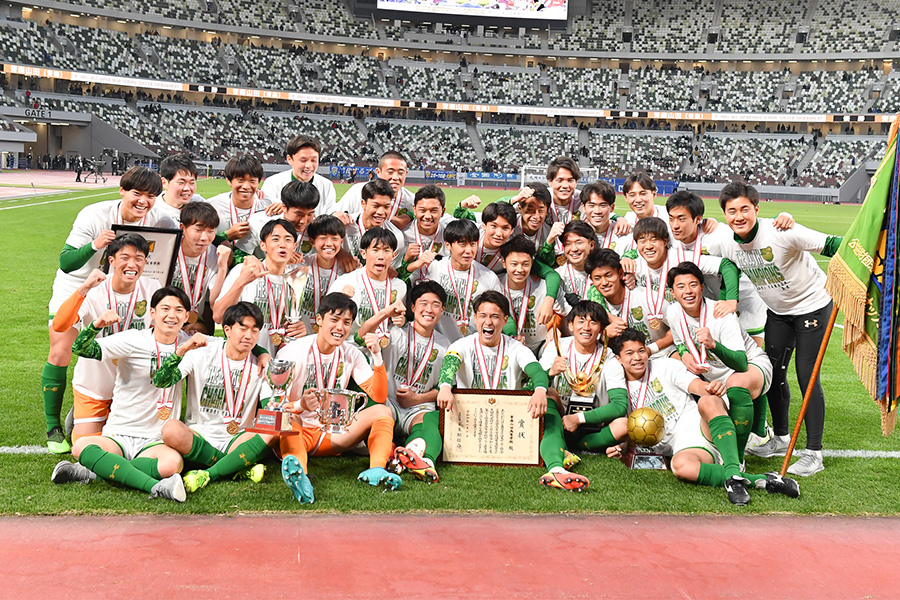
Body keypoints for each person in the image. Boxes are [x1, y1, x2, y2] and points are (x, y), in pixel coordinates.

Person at [575, 329, 800, 505]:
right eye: (629, 353)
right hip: (680, 446)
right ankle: (760, 480)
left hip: (699, 427)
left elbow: (697, 386)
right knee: (681, 467)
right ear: (618, 359)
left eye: (641, 351)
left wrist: (709, 387)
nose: (637, 358)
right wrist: (623, 445)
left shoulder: (665, 366)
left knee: (708, 401)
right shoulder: (614, 387)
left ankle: (732, 467)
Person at [713, 182, 843, 476]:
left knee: (806, 374)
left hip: (813, 307)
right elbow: (723, 263)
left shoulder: (782, 231)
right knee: (772, 373)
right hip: (779, 313)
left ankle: (814, 452)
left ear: (757, 209)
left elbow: (835, 245)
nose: (739, 216)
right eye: (731, 211)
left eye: (745, 209)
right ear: (724, 214)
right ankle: (781, 439)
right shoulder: (728, 241)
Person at [43, 166, 166, 453]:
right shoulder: (94, 214)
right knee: (61, 351)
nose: (143, 201)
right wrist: (94, 245)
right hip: (81, 285)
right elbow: (66, 262)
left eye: (150, 196)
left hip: (126, 287)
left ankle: (99, 407)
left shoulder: (158, 217)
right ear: (122, 190)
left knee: (123, 349)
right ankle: (53, 426)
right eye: (137, 193)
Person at [49, 287, 200, 502]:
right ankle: (156, 487)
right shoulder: (133, 339)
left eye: (179, 310)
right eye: (165, 308)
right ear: (153, 312)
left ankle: (93, 472)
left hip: (155, 440)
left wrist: (260, 354)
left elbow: (233, 346)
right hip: (118, 434)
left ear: (186, 316)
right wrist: (95, 325)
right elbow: (82, 349)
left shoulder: (192, 345)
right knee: (81, 446)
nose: (172, 315)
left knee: (173, 464)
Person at [276, 292, 399, 503]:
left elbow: (378, 396)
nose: (340, 328)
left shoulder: (351, 353)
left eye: (346, 322)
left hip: (333, 433)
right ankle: (301, 476)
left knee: (383, 411)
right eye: (334, 320)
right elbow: (276, 406)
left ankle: (376, 470)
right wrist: (300, 405)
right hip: (299, 431)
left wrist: (377, 355)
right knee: (287, 419)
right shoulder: (292, 352)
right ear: (319, 320)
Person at [424, 292, 554, 487]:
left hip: (507, 419)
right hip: (470, 417)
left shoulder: (516, 348)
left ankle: (556, 467)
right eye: (483, 315)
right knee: (431, 418)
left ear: (505, 320)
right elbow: (450, 364)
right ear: (475, 318)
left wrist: (541, 390)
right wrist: (444, 386)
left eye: (494, 316)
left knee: (550, 416)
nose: (488, 322)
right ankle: (426, 461)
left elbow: (537, 371)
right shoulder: (462, 345)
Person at [153, 302, 275, 492]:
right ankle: (237, 467)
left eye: (255, 330)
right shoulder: (201, 353)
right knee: (170, 430)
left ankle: (209, 473)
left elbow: (270, 410)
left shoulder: (261, 365)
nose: (248, 336)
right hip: (200, 434)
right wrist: (181, 350)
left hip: (238, 439)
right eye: (242, 329)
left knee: (271, 429)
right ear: (227, 329)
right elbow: (162, 381)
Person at [51, 234, 160, 444]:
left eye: (139, 258)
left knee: (132, 444)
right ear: (111, 261)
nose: (132, 264)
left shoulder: (152, 288)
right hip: (94, 384)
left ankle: (107, 418)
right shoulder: (94, 289)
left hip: (133, 387)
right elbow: (60, 325)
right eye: (124, 257)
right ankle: (82, 415)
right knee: (85, 445)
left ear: (145, 262)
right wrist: (83, 288)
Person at [667, 262, 773, 463]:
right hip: (714, 371)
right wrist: (685, 356)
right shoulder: (673, 312)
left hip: (751, 365)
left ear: (702, 287)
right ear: (672, 292)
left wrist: (713, 345)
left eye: (693, 285)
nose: (688, 291)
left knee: (736, 383)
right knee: (672, 363)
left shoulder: (721, 314)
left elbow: (741, 363)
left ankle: (739, 458)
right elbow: (680, 343)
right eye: (680, 287)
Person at [358, 281, 449, 483]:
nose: (429, 309)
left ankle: (422, 459)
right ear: (413, 308)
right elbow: (360, 336)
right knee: (371, 408)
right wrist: (385, 314)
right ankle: (392, 455)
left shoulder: (446, 346)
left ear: (442, 311)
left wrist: (417, 399)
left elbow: (445, 387)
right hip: (388, 402)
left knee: (433, 420)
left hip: (418, 407)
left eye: (436, 304)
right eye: (423, 303)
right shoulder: (394, 332)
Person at [541, 300, 614, 489]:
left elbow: (620, 404)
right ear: (570, 325)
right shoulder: (556, 348)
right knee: (547, 393)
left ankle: (567, 447)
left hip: (592, 424)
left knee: (623, 424)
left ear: (601, 329)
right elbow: (532, 388)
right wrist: (549, 374)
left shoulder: (610, 357)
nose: (586, 327)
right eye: (581, 321)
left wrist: (579, 419)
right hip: (560, 417)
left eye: (593, 322)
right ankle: (557, 469)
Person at [214, 219, 306, 354]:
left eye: (288, 240)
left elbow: (296, 322)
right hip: (247, 359)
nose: (282, 245)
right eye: (275, 239)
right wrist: (241, 282)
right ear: (263, 245)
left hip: (281, 360)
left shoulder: (296, 279)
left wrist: (300, 328)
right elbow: (218, 316)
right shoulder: (244, 270)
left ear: (294, 246)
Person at [586, 248, 673, 357]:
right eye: (597, 278)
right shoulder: (593, 307)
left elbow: (678, 327)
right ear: (591, 280)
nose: (604, 283)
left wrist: (651, 349)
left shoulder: (648, 298)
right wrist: (604, 336)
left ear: (621, 273)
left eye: (609, 275)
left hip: (661, 354)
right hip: (624, 364)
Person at [329, 227, 408, 347]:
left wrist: (402, 321)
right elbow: (326, 320)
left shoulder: (400, 287)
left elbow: (397, 319)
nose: (381, 256)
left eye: (386, 251)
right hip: (349, 349)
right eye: (375, 250)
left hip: (381, 352)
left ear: (393, 255)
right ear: (363, 253)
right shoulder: (344, 282)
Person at [172, 202, 231, 334]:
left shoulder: (215, 255)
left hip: (195, 319)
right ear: (183, 228)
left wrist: (222, 268)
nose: (204, 238)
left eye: (211, 231)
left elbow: (214, 304)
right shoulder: (169, 248)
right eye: (198, 230)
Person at [207, 154, 275, 263]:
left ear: (259, 182)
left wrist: (283, 206)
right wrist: (227, 235)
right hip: (220, 269)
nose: (246, 186)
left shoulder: (270, 206)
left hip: (260, 271)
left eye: (252, 181)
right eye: (240, 180)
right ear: (229, 180)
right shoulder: (212, 206)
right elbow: (201, 240)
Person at [499, 234, 556, 355]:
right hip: (509, 344)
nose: (519, 269)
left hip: (542, 344)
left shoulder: (543, 285)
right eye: (514, 264)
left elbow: (564, 312)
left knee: (555, 347)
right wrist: (512, 336)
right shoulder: (496, 283)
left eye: (525, 264)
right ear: (504, 263)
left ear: (532, 263)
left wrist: (554, 328)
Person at [237, 179, 319, 261]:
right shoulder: (258, 223)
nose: (303, 221)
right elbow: (237, 258)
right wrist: (275, 261)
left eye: (310, 214)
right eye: (298, 214)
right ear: (284, 207)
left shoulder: (318, 228)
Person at [261, 134, 336, 217]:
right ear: (289, 159)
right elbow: (264, 217)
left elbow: (329, 219)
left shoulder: (327, 185)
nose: (308, 166)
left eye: (313, 160)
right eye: (303, 160)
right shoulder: (273, 183)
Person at [335, 150, 414, 229]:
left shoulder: (411, 200)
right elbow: (335, 215)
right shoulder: (358, 191)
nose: (396, 177)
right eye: (390, 172)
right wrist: (336, 214)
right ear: (378, 172)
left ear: (406, 174)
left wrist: (410, 215)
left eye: (401, 173)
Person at [295, 215, 346, 334]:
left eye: (334, 238)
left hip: (331, 336)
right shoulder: (301, 266)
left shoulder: (347, 272)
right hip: (301, 336)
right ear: (312, 241)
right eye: (323, 238)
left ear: (341, 241)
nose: (329, 243)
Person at [341, 178, 406, 269]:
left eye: (386, 207)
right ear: (363, 204)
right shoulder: (344, 226)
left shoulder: (396, 236)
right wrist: (339, 252)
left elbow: (391, 272)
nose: (381, 212)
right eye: (376, 206)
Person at [400, 184, 454, 285]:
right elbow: (393, 276)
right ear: (414, 210)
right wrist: (406, 260)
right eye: (422, 210)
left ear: (442, 212)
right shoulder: (402, 234)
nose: (428, 216)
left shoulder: (450, 234)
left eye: (434, 211)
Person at [555, 220, 597, 314]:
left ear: (591, 245)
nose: (574, 249)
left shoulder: (601, 272)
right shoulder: (557, 275)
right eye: (568, 244)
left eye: (579, 242)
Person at [156, 154, 204, 225]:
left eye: (192, 183)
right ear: (164, 182)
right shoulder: (154, 210)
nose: (187, 188)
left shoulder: (199, 203)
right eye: (181, 182)